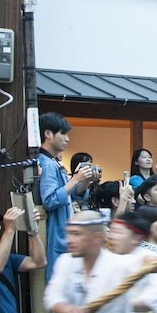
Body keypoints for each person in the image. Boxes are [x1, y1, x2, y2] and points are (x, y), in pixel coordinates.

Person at [45, 210, 149, 313]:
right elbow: (52, 297)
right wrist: (68, 310)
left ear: (96, 237)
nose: (69, 240)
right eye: (69, 234)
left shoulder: (119, 264)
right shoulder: (65, 262)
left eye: (76, 234)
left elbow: (144, 262)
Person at [37, 111, 95, 280]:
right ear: (48, 134)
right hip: (56, 234)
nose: (67, 139)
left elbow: (73, 196)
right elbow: (50, 199)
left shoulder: (54, 162)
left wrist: (85, 181)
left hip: (63, 235)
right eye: (63, 133)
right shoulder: (46, 163)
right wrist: (76, 178)